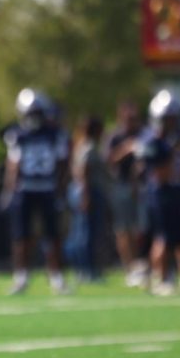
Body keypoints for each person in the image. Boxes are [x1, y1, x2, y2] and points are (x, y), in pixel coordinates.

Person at [0, 88, 71, 295]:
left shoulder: (55, 134)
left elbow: (62, 165)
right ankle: (21, 276)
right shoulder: (16, 135)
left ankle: (56, 276)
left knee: (52, 236)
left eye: (36, 113)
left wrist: (61, 190)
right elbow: (13, 165)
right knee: (21, 236)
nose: (32, 117)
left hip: (47, 189)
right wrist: (8, 190)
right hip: (25, 190)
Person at [143, 89, 180, 294]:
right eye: (167, 119)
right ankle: (162, 277)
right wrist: (174, 153)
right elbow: (161, 174)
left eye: (173, 118)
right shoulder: (154, 142)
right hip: (162, 193)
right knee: (164, 238)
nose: (171, 123)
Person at [106, 102, 149, 287]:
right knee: (124, 230)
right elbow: (108, 160)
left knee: (143, 228)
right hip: (122, 187)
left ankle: (143, 266)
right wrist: (126, 149)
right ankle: (130, 268)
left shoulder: (145, 134)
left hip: (143, 187)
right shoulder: (116, 137)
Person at [67, 116, 110, 283]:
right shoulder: (88, 147)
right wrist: (86, 195)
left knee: (82, 232)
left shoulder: (80, 145)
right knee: (86, 233)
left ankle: (84, 270)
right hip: (89, 192)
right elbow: (84, 172)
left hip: (81, 192)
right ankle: (87, 270)